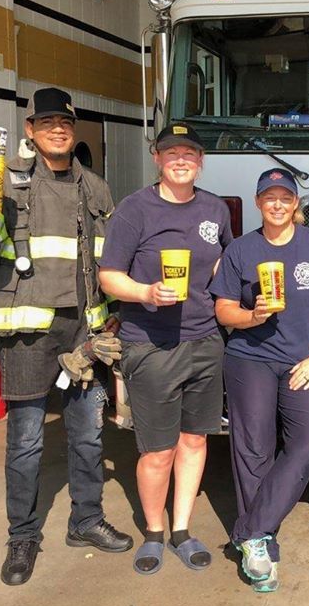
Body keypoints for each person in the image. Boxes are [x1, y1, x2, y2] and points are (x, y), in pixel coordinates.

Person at [0, 87, 132, 586]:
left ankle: (86, 521)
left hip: (85, 333)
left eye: (66, 123)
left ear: (73, 132)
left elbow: (108, 261)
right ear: (29, 130)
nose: (58, 129)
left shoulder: (96, 188)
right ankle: (23, 535)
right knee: (27, 440)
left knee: (89, 434)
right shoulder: (1, 185)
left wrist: (113, 316)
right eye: (46, 122)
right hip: (27, 333)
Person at [97, 124, 232, 575]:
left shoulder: (215, 207)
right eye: (171, 152)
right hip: (151, 344)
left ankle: (181, 529)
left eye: (189, 153)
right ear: (157, 158)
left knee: (194, 439)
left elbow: (226, 263)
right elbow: (109, 275)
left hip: (205, 340)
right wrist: (144, 293)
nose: (180, 159)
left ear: (200, 161)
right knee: (157, 449)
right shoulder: (134, 209)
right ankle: (153, 532)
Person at [210, 168, 309, 593]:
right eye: (270, 198)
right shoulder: (242, 250)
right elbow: (224, 310)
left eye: (285, 197)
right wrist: (253, 316)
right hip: (250, 358)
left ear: (296, 204)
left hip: (305, 361)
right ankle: (261, 546)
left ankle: (250, 529)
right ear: (259, 202)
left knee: (307, 442)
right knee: (254, 448)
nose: (278, 204)